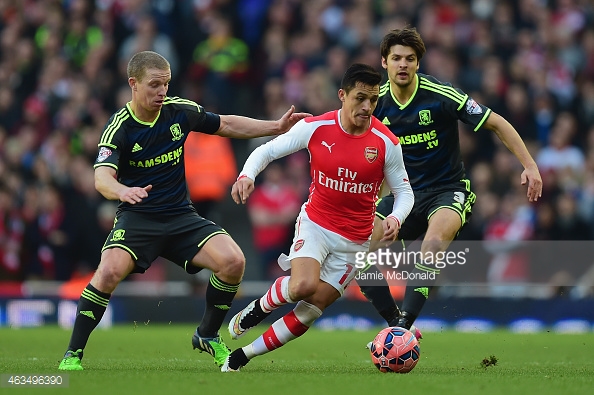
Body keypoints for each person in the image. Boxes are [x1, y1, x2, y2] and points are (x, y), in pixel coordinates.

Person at [57, 50, 311, 371]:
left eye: (166, 84)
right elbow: (101, 176)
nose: (161, 91)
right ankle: (73, 354)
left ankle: (207, 334)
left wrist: (275, 126)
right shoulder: (119, 127)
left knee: (233, 262)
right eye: (154, 85)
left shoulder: (180, 111)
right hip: (139, 219)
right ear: (133, 84)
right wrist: (123, 190)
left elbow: (226, 123)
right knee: (107, 273)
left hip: (180, 216)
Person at [221, 63, 415, 372]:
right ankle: (259, 307)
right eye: (360, 98)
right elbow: (266, 151)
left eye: (373, 100)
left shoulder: (386, 142)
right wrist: (247, 175)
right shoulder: (317, 127)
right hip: (316, 224)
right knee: (301, 287)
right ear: (342, 95)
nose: (367, 107)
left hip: (356, 242)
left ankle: (244, 355)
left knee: (310, 311)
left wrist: (396, 218)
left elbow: (405, 192)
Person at [358, 27, 543, 332]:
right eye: (396, 58)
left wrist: (530, 166)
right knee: (357, 248)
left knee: (431, 245)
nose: (402, 64)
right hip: (404, 196)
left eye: (410, 58)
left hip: (447, 191)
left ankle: (404, 326)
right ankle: (396, 323)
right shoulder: (375, 105)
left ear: (418, 63)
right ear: (384, 62)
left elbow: (495, 122)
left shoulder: (440, 95)